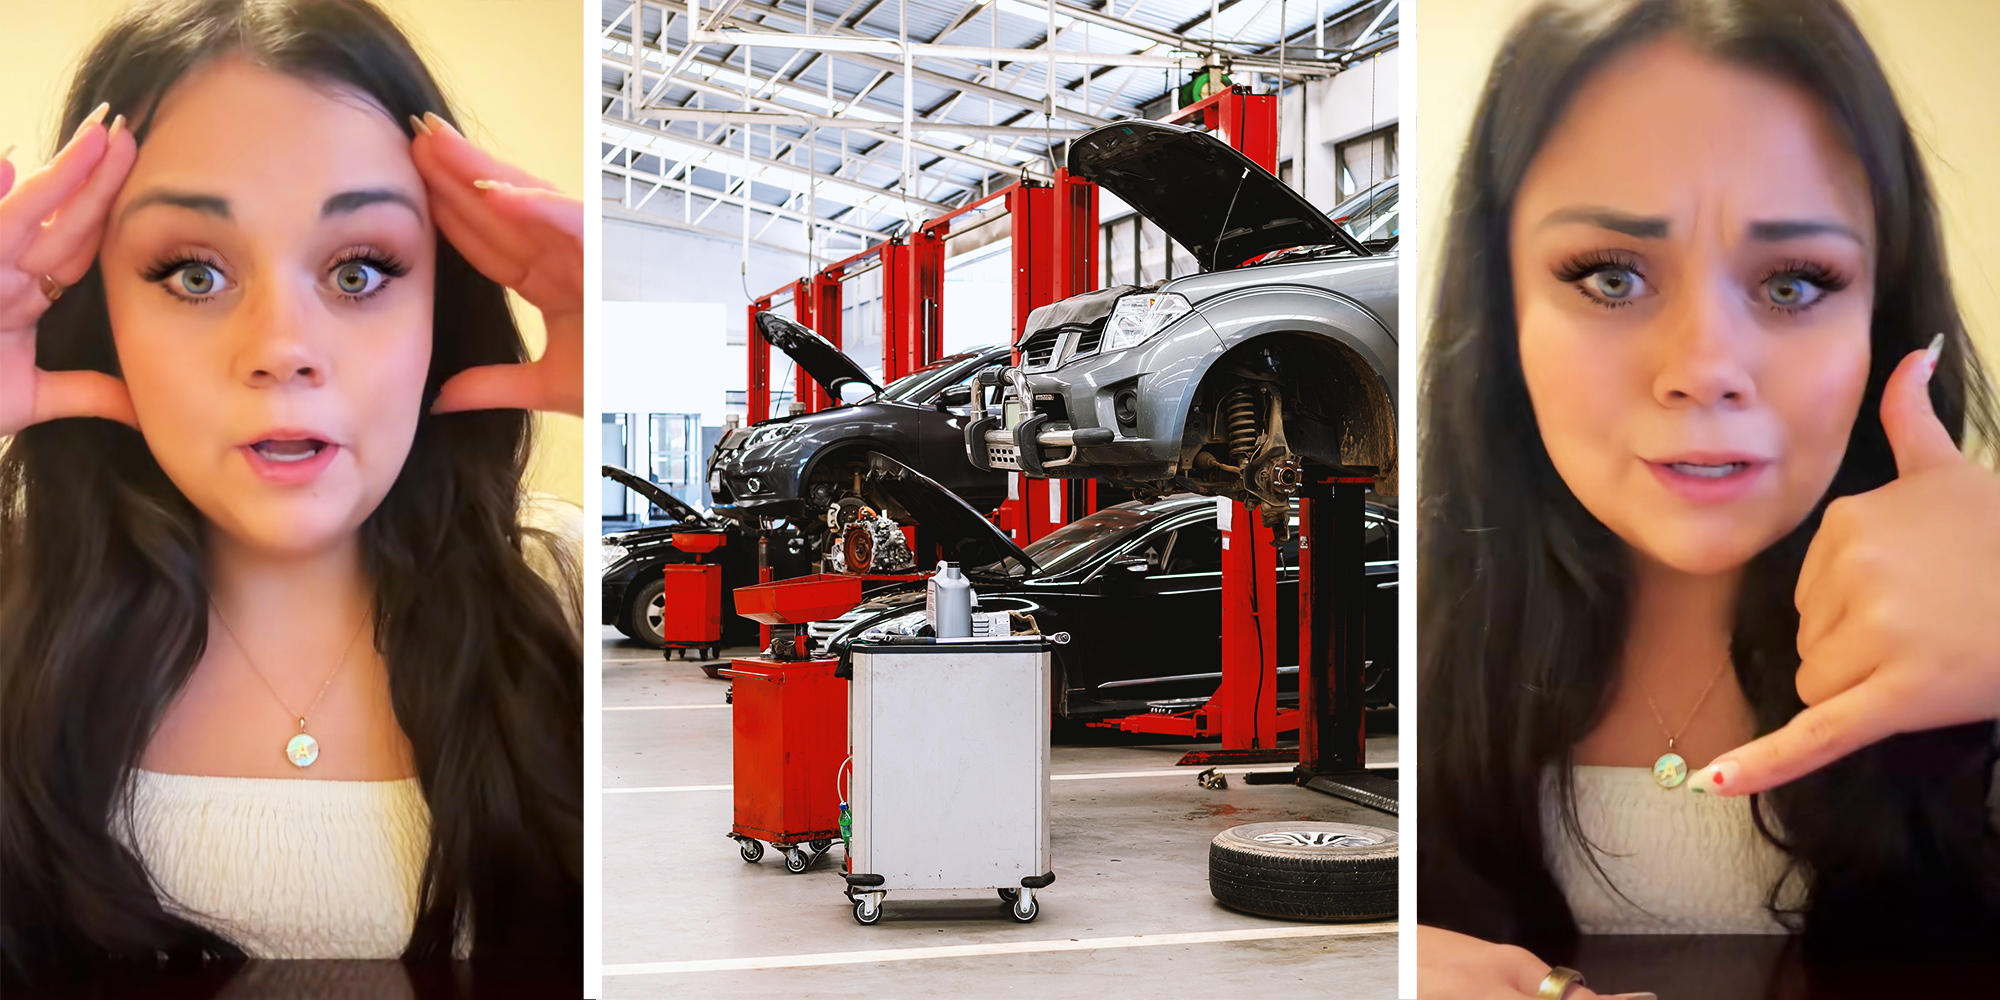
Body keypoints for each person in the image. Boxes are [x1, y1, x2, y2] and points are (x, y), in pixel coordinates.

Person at [1416, 0, 2000, 996]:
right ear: (1501, 306)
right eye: (1607, 276)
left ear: (1880, 316)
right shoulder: (1409, 637)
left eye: (1792, 284)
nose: (1702, 368)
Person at [0, 0, 583, 984]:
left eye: (359, 270)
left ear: (441, 301)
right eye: (191, 274)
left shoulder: (558, 590)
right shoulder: (15, 612)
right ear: (100, 309)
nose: (281, 350)